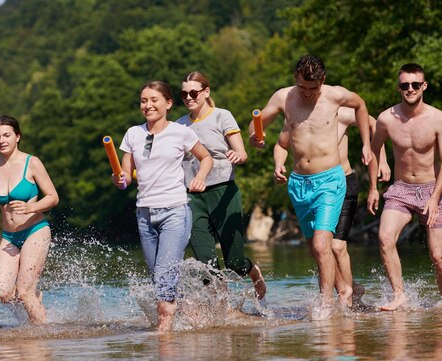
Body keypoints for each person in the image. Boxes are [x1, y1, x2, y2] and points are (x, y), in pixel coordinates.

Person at [251, 54, 372, 310]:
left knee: (322, 244)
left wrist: (367, 144)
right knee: (315, 250)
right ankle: (345, 288)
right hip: (298, 183)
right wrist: (255, 137)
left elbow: (361, 105)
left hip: (330, 179)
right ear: (296, 79)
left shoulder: (335, 95)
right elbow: (259, 124)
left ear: (322, 80)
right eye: (302, 87)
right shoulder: (283, 97)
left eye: (312, 88)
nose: (307, 93)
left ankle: (325, 305)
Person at [112, 81, 213, 332]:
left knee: (165, 277)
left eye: (154, 100)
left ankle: (163, 334)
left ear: (168, 104)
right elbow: (126, 177)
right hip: (144, 214)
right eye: (144, 100)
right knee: (159, 277)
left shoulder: (181, 132)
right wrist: (119, 179)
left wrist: (199, 178)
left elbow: (206, 157)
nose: (148, 105)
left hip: (175, 211)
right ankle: (196, 312)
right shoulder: (133, 134)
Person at [277, 109, 389, 307]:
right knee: (318, 247)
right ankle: (347, 289)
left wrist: (382, 158)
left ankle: (349, 300)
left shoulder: (340, 113)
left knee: (336, 246)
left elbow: (373, 123)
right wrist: (278, 164)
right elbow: (282, 144)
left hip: (342, 182)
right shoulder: (298, 115)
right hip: (311, 186)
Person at [367, 63, 442, 311]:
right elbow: (372, 150)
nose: (410, 89)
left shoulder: (438, 119)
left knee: (437, 256)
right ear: (399, 87)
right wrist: (374, 184)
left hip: (432, 188)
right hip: (401, 190)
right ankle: (399, 295)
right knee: (384, 237)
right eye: (405, 85)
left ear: (424, 86)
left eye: (415, 84)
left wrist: (435, 198)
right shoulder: (386, 119)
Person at [176, 71, 266, 305]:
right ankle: (222, 310)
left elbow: (243, 154)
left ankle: (252, 270)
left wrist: (238, 155)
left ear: (206, 92)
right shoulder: (179, 126)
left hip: (224, 192)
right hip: (192, 198)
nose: (188, 97)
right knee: (206, 264)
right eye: (184, 94)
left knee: (234, 264)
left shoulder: (221, 117)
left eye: (193, 93)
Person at [0, 115, 59, 324]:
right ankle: (33, 307)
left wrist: (32, 207)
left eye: (6, 135)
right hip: (9, 236)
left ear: (17, 136)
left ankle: (41, 337)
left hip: (35, 230)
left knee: (25, 291)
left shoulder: (32, 163)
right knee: (0, 292)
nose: (1, 140)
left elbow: (53, 197)